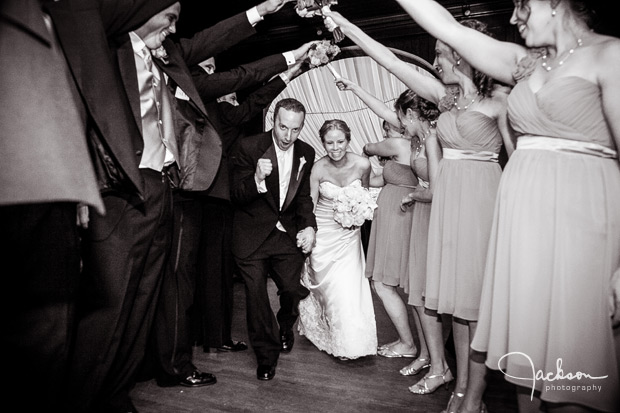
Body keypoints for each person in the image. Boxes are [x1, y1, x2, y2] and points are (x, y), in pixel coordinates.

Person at [47, 0, 295, 410]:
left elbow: (220, 50)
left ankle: (113, 392)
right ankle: (83, 397)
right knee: (112, 304)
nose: (173, 28)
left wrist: (260, 12)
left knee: (143, 299)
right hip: (124, 189)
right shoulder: (108, 45)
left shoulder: (166, 56)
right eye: (169, 17)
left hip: (164, 187)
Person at [393, 1, 620, 412]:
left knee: (575, 367)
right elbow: (447, 26)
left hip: (580, 219)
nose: (514, 18)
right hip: (521, 221)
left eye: (521, 5)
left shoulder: (610, 55)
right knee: (528, 361)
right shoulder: (524, 63)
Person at [323, 11, 514, 413]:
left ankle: (472, 396)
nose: (437, 60)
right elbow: (390, 61)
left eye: (442, 53)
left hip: (481, 200)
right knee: (457, 308)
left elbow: (518, 161)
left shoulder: (500, 103)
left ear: (463, 57)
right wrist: (346, 23)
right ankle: (460, 387)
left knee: (474, 305)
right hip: (448, 203)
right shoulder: (443, 100)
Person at [147, 42, 312, 390]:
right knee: (188, 277)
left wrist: (291, 72)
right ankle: (188, 358)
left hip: (221, 203)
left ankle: (218, 336)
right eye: (204, 67)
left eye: (212, 67)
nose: (211, 73)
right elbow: (242, 80)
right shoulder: (169, 98)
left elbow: (253, 97)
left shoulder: (220, 113)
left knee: (225, 275)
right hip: (181, 196)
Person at [0, 1, 104, 410]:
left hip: (52, 189)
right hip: (18, 187)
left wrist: (77, 184)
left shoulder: (61, 20)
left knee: (50, 336)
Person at [230, 97, 317, 381]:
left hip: (286, 235)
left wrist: (310, 227)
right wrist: (255, 179)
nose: (287, 136)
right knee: (256, 298)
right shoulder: (248, 147)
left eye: (295, 129)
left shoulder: (306, 152)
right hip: (252, 235)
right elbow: (236, 194)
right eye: (282, 127)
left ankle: (285, 326)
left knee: (292, 290)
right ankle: (267, 357)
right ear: (273, 122)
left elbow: (303, 197)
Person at [297, 119, 378, 360]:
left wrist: (358, 215)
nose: (335, 148)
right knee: (328, 287)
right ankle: (324, 329)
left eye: (340, 142)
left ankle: (350, 343)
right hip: (323, 231)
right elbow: (310, 203)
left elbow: (364, 195)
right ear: (322, 143)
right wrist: (307, 230)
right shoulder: (318, 168)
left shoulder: (363, 164)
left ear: (348, 140)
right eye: (329, 143)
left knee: (347, 288)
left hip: (349, 235)